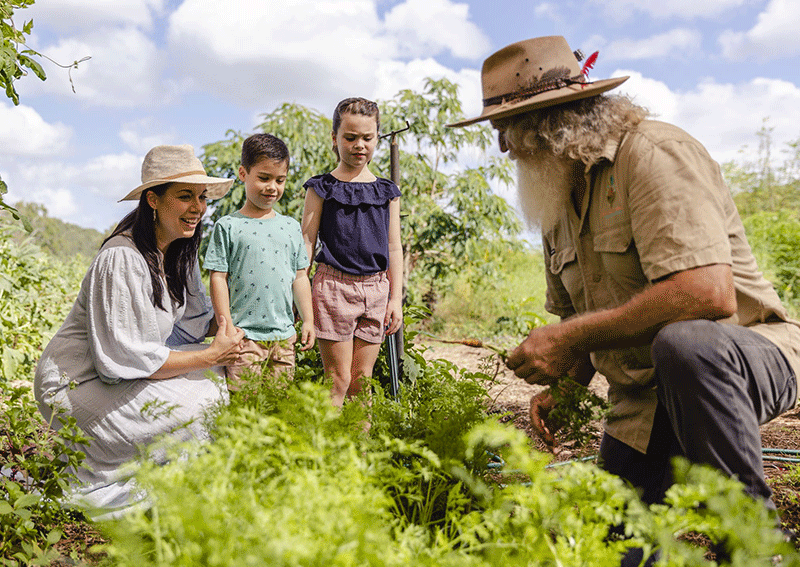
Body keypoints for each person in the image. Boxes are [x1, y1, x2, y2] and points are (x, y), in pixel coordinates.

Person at [449, 35, 800, 512]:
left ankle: (757, 542)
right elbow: (585, 322)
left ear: (545, 126)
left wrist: (566, 337)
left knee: (686, 345)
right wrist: (567, 390)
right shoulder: (557, 203)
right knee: (619, 547)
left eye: (505, 131)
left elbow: (707, 295)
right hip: (643, 401)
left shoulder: (655, 154)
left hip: (744, 354)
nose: (505, 150)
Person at [33, 144, 245, 516]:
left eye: (201, 197)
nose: (197, 207)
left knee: (214, 379)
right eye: (184, 196)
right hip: (75, 384)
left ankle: (143, 476)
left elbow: (195, 323)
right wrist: (213, 354)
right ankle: (97, 490)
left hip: (117, 372)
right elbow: (123, 358)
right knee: (202, 400)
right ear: (153, 199)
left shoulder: (176, 251)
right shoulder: (122, 257)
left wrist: (241, 318)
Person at [302, 97, 404, 407]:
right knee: (338, 380)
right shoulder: (321, 188)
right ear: (334, 139)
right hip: (333, 288)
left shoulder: (386, 191)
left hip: (375, 290)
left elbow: (394, 247)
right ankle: (326, 452)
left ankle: (360, 453)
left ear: (376, 138)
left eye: (367, 138)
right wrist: (301, 294)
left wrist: (395, 298)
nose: (359, 145)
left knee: (363, 381)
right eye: (350, 137)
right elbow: (306, 241)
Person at [203, 133, 314, 388]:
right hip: (243, 338)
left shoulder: (291, 227)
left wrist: (307, 319)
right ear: (243, 173)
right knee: (244, 410)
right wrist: (226, 324)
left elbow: (299, 277)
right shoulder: (228, 226)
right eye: (263, 178)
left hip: (284, 338)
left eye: (280, 180)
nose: (272, 187)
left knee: (278, 408)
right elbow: (218, 278)